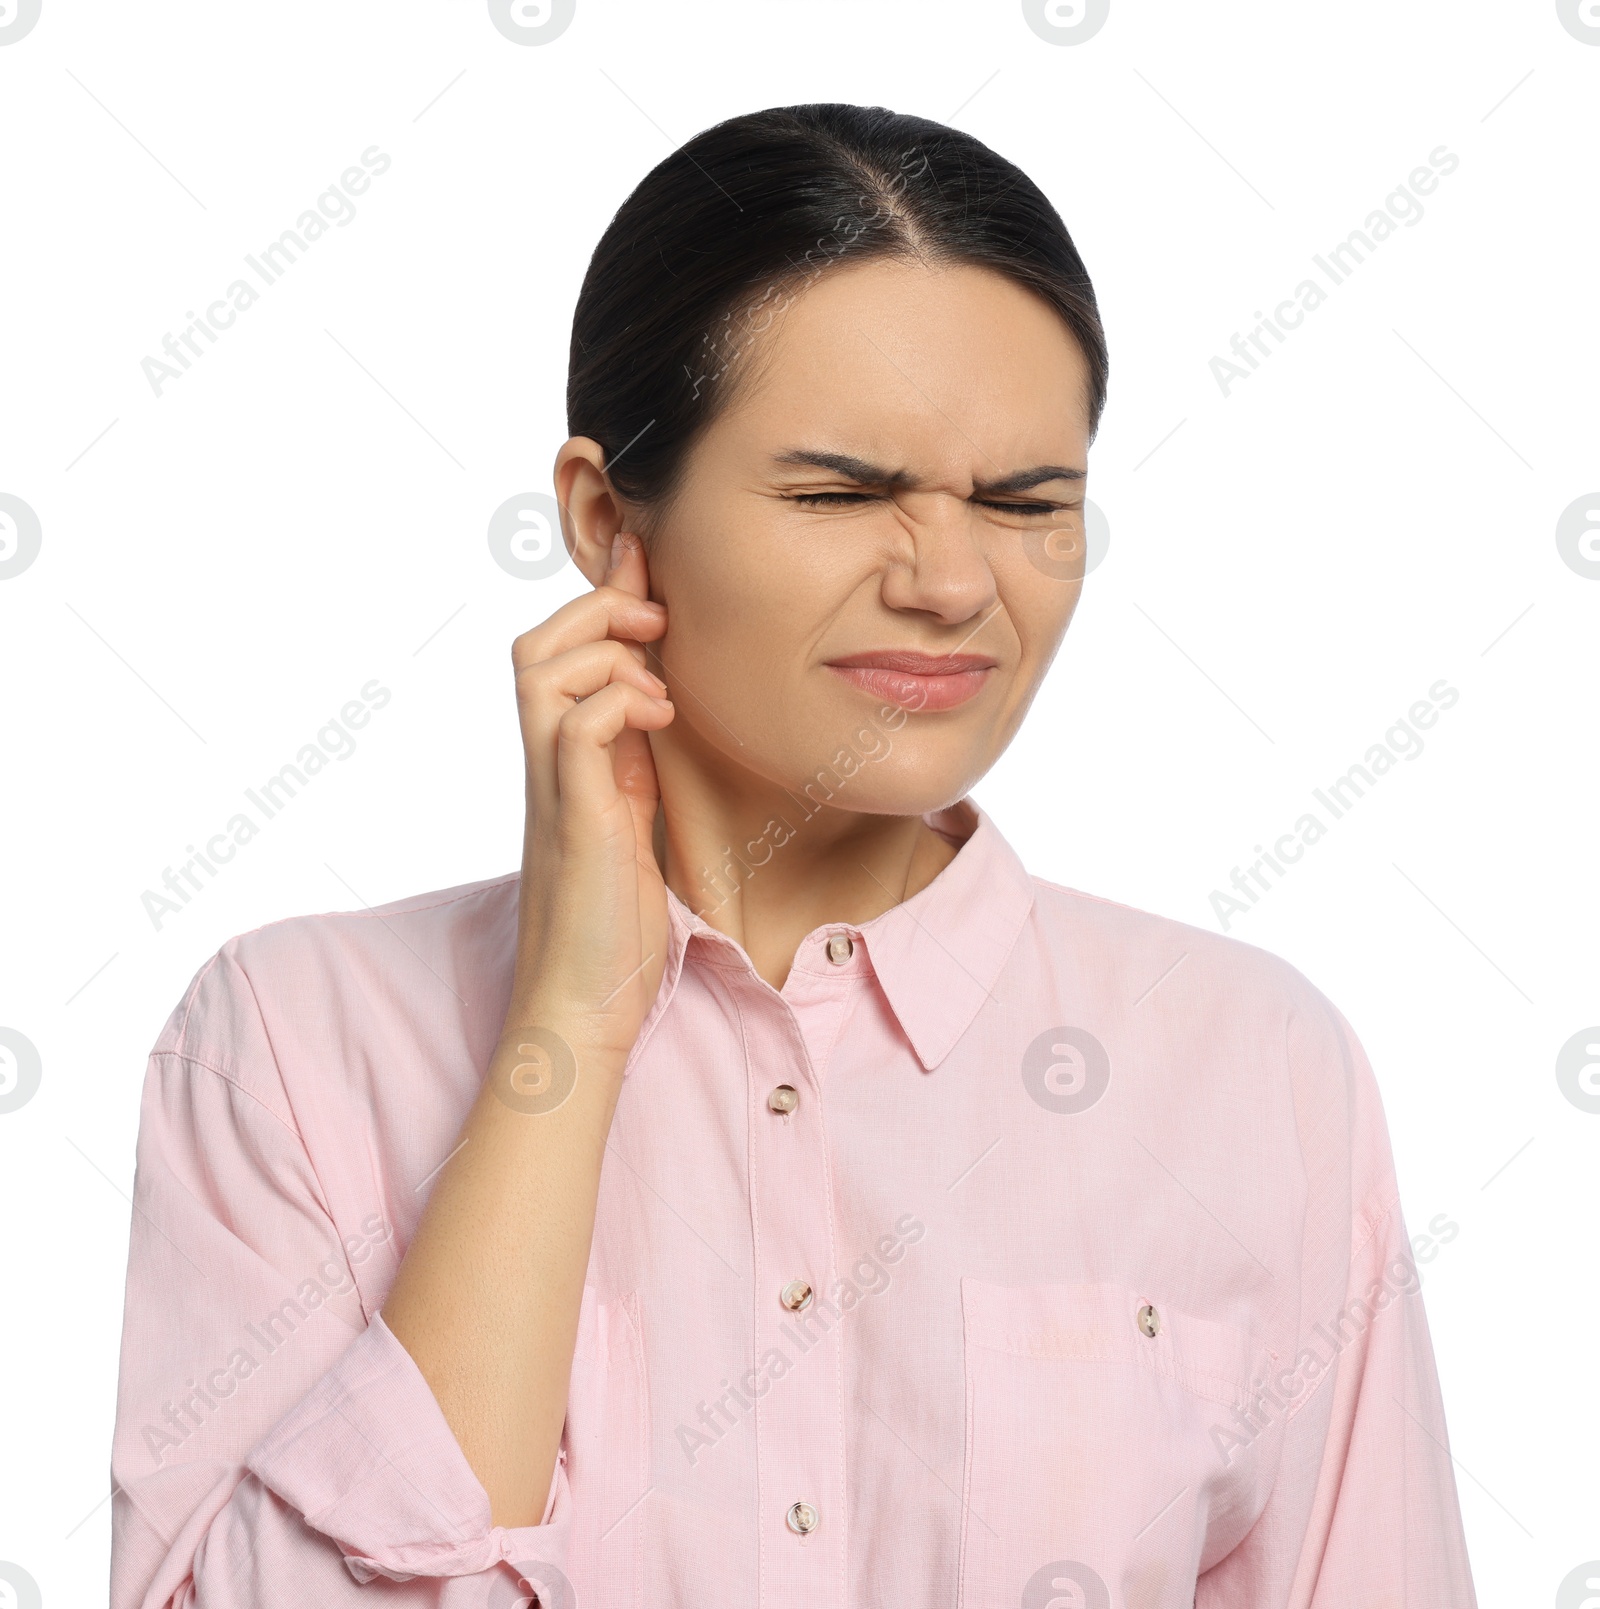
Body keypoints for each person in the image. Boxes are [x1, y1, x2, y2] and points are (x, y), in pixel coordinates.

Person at [109, 103, 1478, 1608]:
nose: (954, 582)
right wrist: (563, 1037)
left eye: (1028, 505)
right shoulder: (298, 1046)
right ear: (601, 516)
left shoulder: (1254, 1066)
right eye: (839, 494)